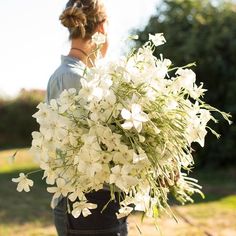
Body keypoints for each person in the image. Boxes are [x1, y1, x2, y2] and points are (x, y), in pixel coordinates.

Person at [46, 0, 128, 235]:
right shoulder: (74, 79)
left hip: (100, 206)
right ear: (101, 28)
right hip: (88, 210)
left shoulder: (76, 75)